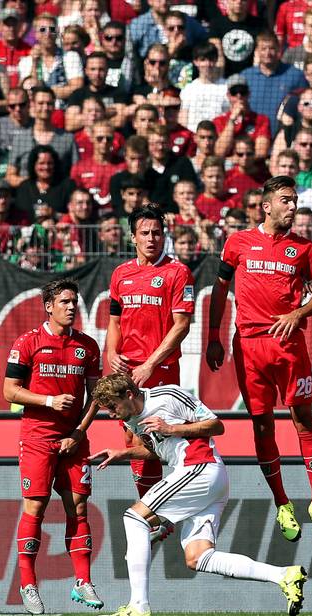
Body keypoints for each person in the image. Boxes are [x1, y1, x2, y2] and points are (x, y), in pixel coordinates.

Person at [89, 373, 308, 616]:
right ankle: (284, 575)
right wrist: (124, 454)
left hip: (200, 468)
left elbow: (216, 425)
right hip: (203, 477)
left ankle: (138, 607)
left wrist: (172, 427)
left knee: (134, 518)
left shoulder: (168, 396)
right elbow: (160, 449)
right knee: (199, 556)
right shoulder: (130, 419)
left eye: (113, 407)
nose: (111, 414)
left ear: (129, 394)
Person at [206, 176, 312, 543]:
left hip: (289, 346)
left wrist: (299, 313)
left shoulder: (305, 249)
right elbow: (220, 289)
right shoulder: (238, 243)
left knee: (303, 418)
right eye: (285, 201)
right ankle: (282, 502)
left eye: (294, 201)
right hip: (248, 347)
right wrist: (214, 336)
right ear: (266, 206)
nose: (292, 207)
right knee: (262, 425)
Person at [3, 278, 102, 615]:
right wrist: (48, 400)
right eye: (64, 301)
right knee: (36, 507)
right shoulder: (28, 342)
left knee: (78, 508)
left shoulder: (87, 347)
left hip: (74, 438)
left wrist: (78, 432)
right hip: (37, 437)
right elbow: (9, 391)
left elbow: (96, 397)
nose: (71, 306)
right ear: (48, 306)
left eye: (74, 301)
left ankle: (83, 582)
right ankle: (28, 583)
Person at [105, 203, 194, 506]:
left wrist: (150, 364)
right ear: (133, 237)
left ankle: (165, 505)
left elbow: (182, 326)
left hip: (160, 370)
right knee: (132, 438)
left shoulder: (178, 272)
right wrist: (111, 352)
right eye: (145, 233)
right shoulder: (120, 274)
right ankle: (150, 509)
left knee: (160, 437)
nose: (152, 238)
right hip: (127, 372)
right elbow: (114, 321)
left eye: (157, 232)